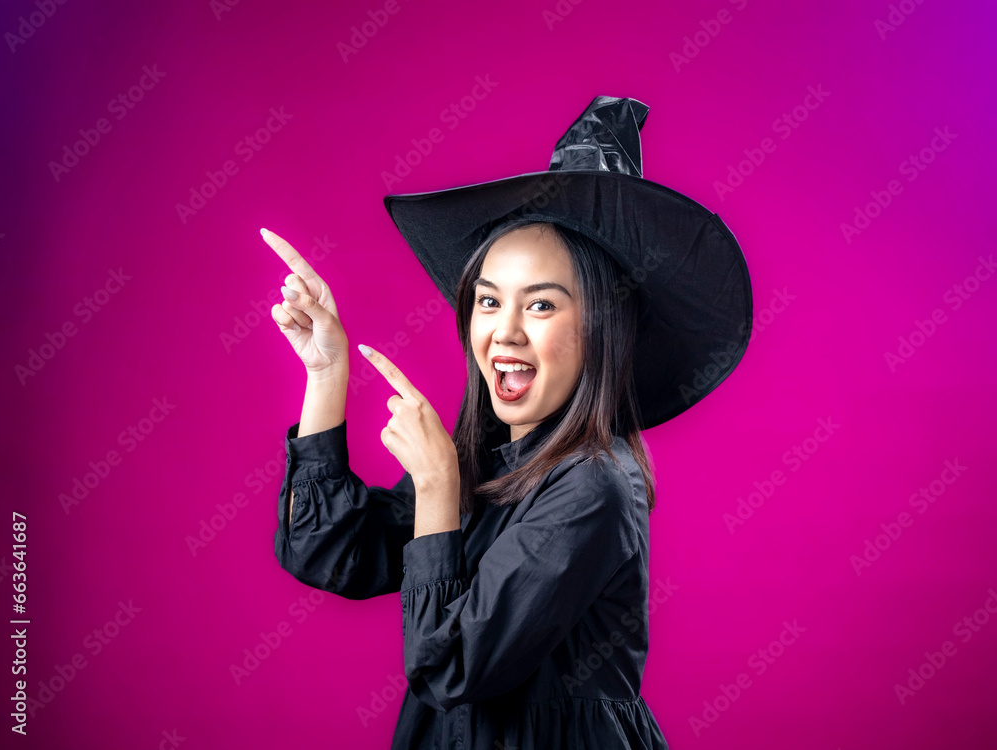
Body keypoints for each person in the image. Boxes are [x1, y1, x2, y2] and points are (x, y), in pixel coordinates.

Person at [267, 96, 753, 749]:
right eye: (490, 301)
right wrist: (327, 375)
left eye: (542, 305)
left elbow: (452, 666)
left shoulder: (595, 488)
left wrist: (438, 490)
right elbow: (332, 552)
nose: (504, 332)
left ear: (599, 329)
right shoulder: (488, 460)